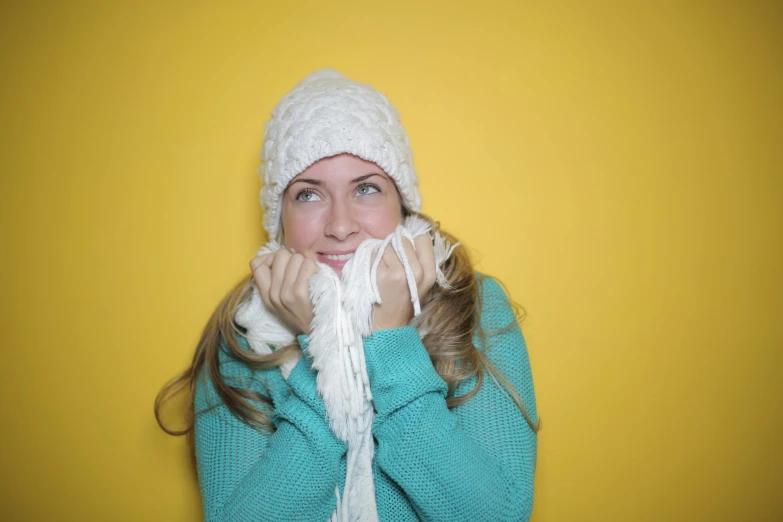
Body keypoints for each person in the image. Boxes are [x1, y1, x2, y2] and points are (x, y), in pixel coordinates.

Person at [156, 69, 540, 521]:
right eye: (308, 195)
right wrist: (323, 347)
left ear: (403, 205)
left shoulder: (471, 304)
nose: (340, 226)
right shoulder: (242, 336)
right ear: (279, 219)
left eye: (366, 188)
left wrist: (391, 344)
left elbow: (497, 515)